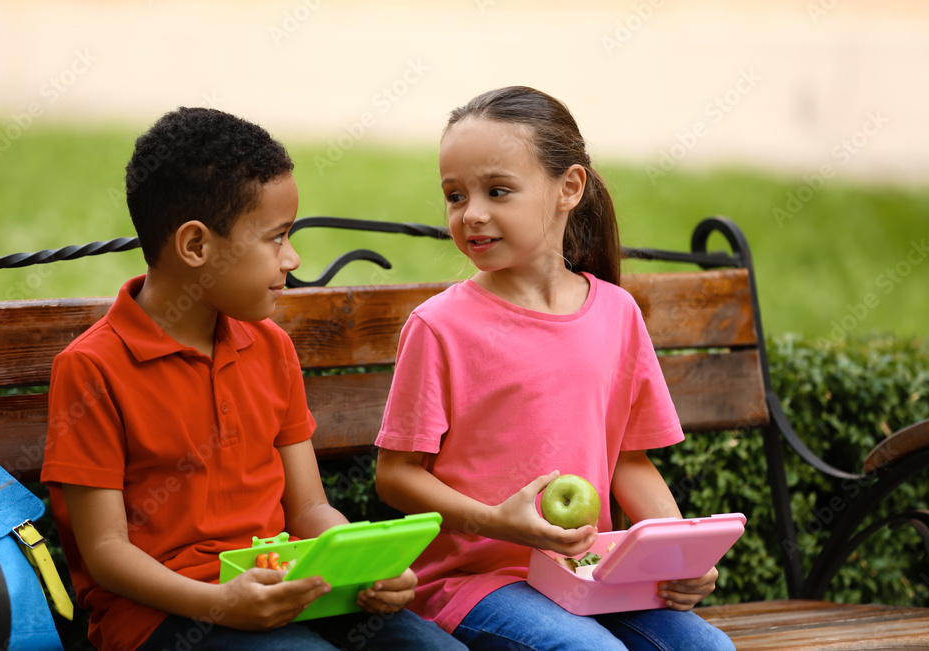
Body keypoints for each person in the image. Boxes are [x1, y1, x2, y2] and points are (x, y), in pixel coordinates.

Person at [41, 107, 467, 651]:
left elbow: (309, 509)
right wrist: (221, 604)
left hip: (284, 584)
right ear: (196, 246)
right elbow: (106, 553)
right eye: (276, 237)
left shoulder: (269, 347)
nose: (292, 257)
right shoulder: (94, 368)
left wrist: (364, 565)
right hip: (162, 617)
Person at [374, 86, 735, 651]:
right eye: (454, 195)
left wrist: (677, 551)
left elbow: (629, 461)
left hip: (593, 578)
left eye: (497, 191)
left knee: (709, 648)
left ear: (569, 188)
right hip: (476, 583)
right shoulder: (440, 326)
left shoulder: (616, 314)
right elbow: (395, 475)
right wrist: (496, 521)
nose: (472, 214)